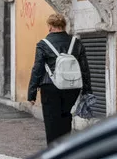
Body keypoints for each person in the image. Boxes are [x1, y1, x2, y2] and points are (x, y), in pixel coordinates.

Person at [27, 13, 92, 144]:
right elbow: (84, 68)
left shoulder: (43, 44)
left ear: (50, 26)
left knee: (52, 122)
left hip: (50, 86)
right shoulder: (76, 42)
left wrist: (32, 93)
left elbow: (37, 69)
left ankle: (53, 154)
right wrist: (87, 90)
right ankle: (65, 151)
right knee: (66, 118)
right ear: (64, 26)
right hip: (72, 87)